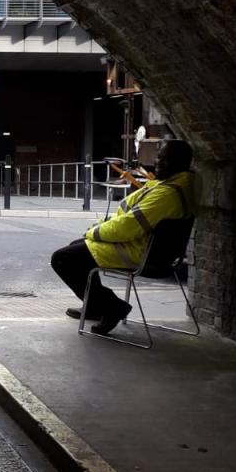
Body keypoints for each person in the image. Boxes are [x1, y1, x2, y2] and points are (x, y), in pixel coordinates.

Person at [51, 138, 196, 335]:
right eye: (158, 157)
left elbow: (128, 227)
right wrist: (98, 230)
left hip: (139, 252)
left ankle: (112, 308)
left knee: (62, 258)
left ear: (181, 163)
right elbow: (130, 220)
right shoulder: (175, 185)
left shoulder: (166, 194)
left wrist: (94, 232)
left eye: (164, 159)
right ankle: (95, 306)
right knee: (76, 247)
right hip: (148, 248)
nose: (157, 162)